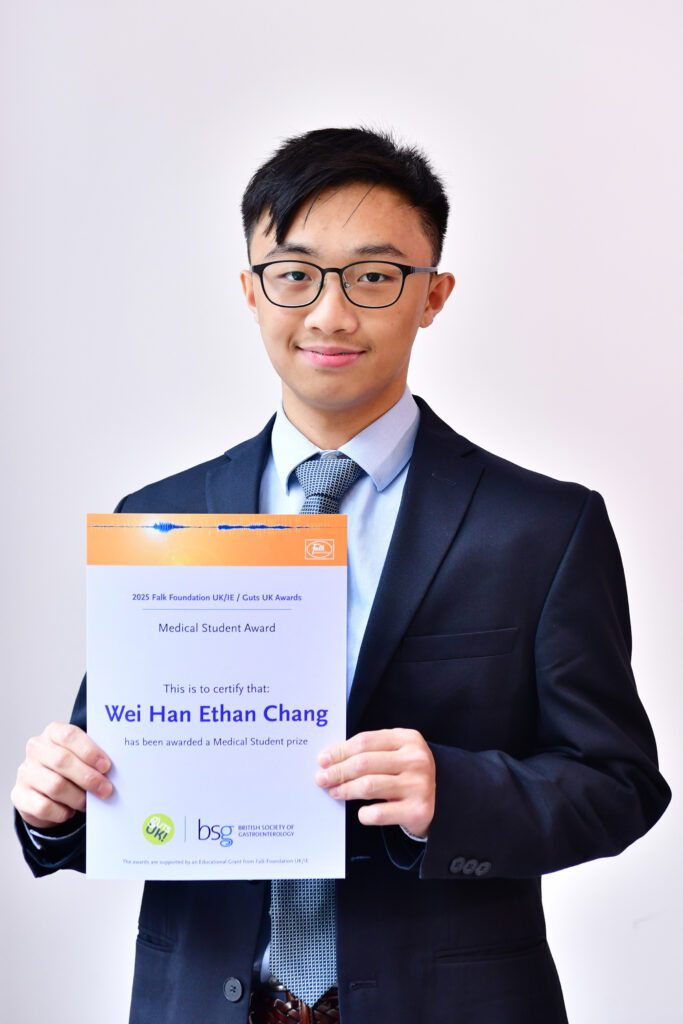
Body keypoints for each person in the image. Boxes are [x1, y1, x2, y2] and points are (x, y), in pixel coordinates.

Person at [12, 127, 671, 1024]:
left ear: (432, 295)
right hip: (198, 1002)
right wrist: (58, 808)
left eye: (373, 275)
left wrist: (453, 790)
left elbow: (619, 785)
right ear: (249, 290)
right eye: (294, 273)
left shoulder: (541, 529)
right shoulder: (158, 522)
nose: (328, 314)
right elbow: (126, 780)